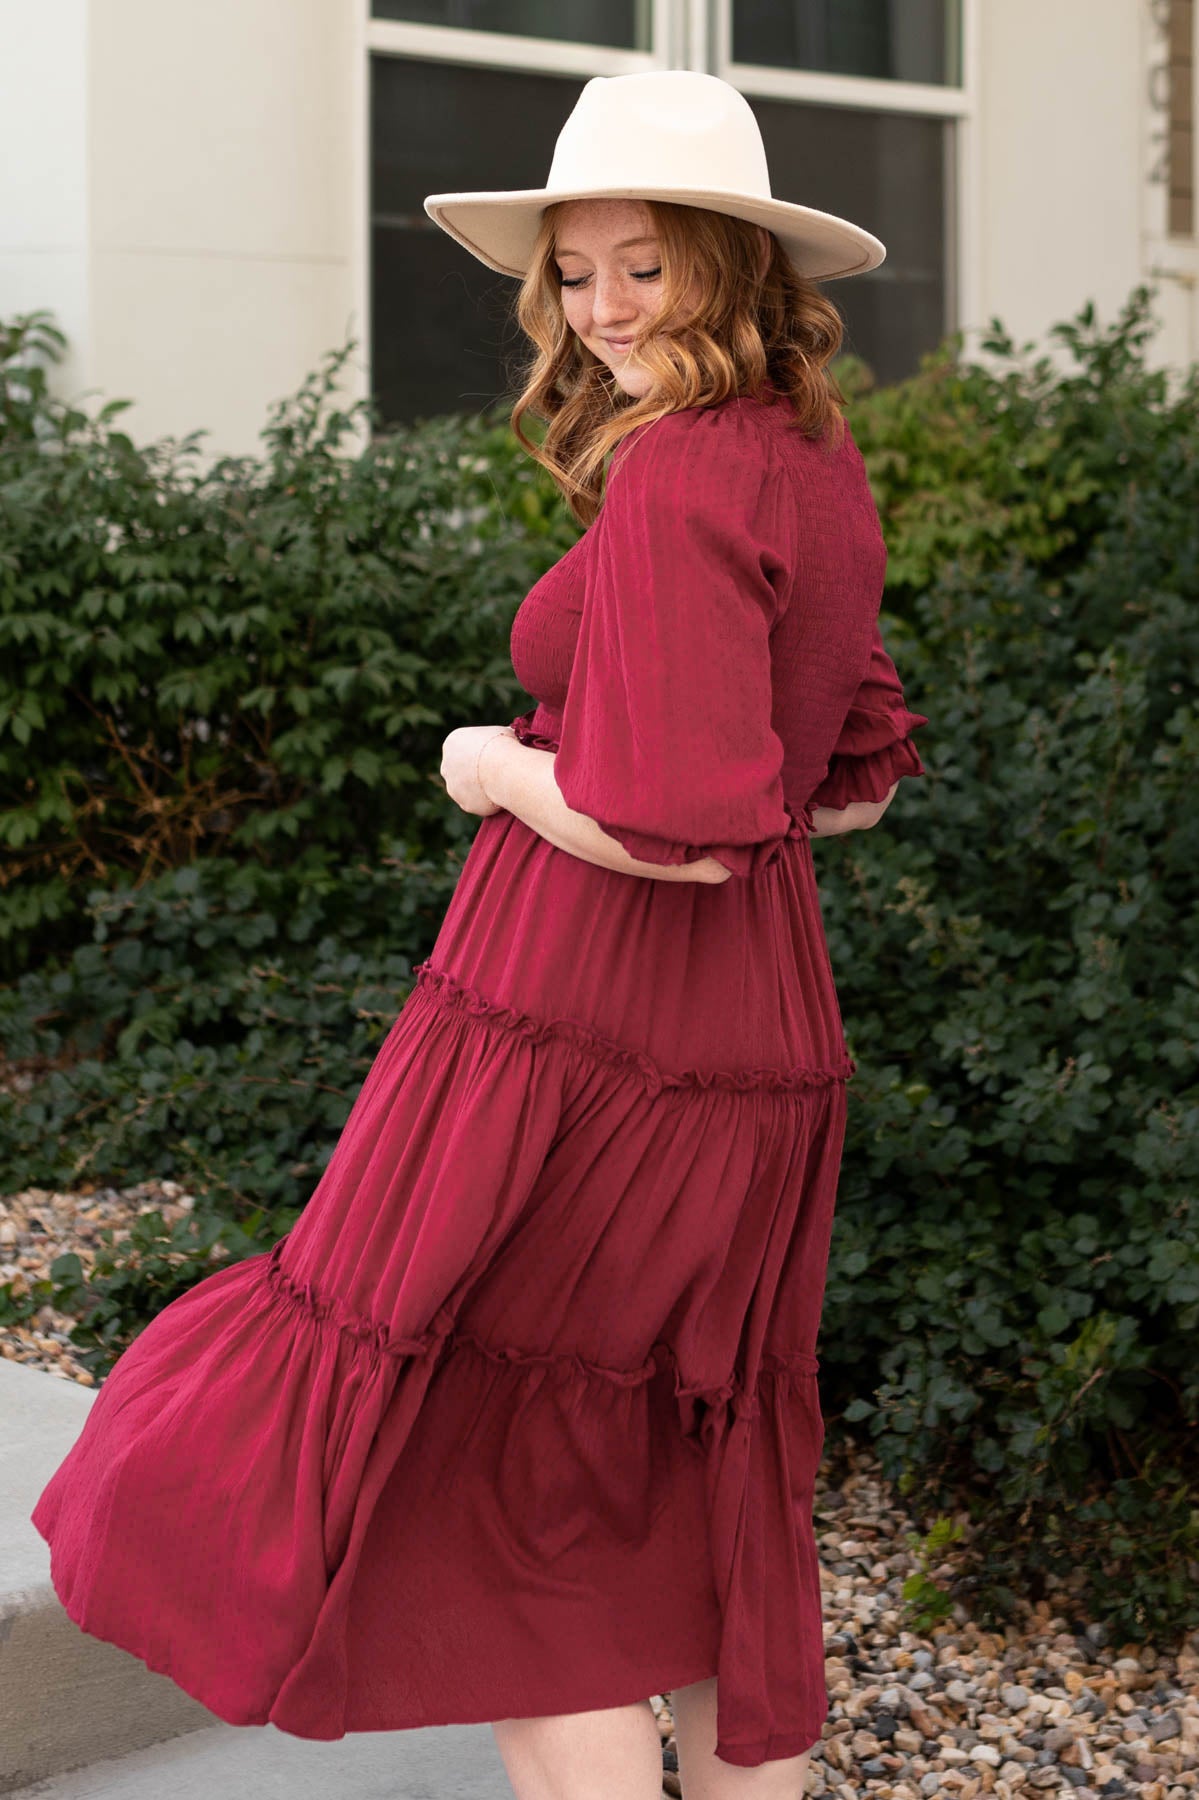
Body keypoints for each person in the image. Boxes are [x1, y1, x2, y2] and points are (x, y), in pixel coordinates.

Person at [31, 69, 929, 1800]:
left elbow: (677, 840)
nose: (598, 311)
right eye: (575, 272)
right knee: (667, 1481)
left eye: (643, 268)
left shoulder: (679, 474)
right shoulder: (811, 453)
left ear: (733, 266)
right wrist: (648, 782)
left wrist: (485, 768)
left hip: (591, 1032)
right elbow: (845, 787)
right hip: (752, 1047)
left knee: (524, 1513)